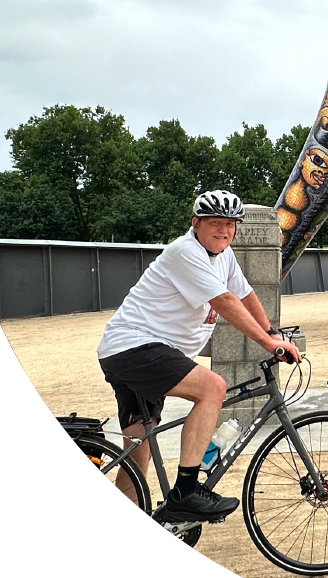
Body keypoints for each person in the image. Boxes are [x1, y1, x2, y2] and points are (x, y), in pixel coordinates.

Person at [96, 190, 302, 521]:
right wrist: (268, 343)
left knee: (139, 448)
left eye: (230, 224)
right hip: (135, 348)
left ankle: (122, 524)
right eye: (215, 223)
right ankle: (187, 492)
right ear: (196, 224)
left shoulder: (224, 255)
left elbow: (244, 292)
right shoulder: (185, 252)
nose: (224, 230)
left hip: (136, 354)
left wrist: (273, 331)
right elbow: (225, 302)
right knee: (212, 387)